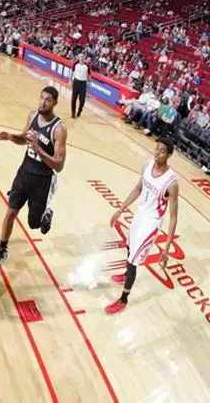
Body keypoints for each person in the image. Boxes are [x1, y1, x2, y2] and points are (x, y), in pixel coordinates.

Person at [0, 86, 67, 270]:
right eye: (41, 98)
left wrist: (39, 149)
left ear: (54, 103)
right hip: (24, 174)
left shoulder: (59, 129)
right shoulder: (32, 116)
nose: (43, 102)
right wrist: (10, 136)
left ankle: (46, 214)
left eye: (48, 99)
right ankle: (2, 250)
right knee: (11, 212)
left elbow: (59, 165)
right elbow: (24, 138)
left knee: (33, 224)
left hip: (43, 180)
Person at [105, 138, 178, 314]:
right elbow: (138, 189)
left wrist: (166, 249)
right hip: (140, 215)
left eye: (162, 151)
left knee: (134, 261)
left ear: (169, 155)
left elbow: (174, 216)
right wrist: (120, 209)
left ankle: (123, 300)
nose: (157, 153)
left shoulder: (172, 182)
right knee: (130, 248)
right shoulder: (147, 165)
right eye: (156, 149)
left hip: (151, 222)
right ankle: (126, 275)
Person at [70, 54, 89, 118]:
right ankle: (73, 112)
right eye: (80, 57)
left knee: (82, 100)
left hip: (83, 83)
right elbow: (72, 72)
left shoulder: (87, 66)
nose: (81, 58)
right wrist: (70, 80)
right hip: (76, 82)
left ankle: (79, 111)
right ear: (78, 58)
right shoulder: (75, 64)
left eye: (82, 57)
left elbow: (89, 74)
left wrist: (89, 81)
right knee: (74, 98)